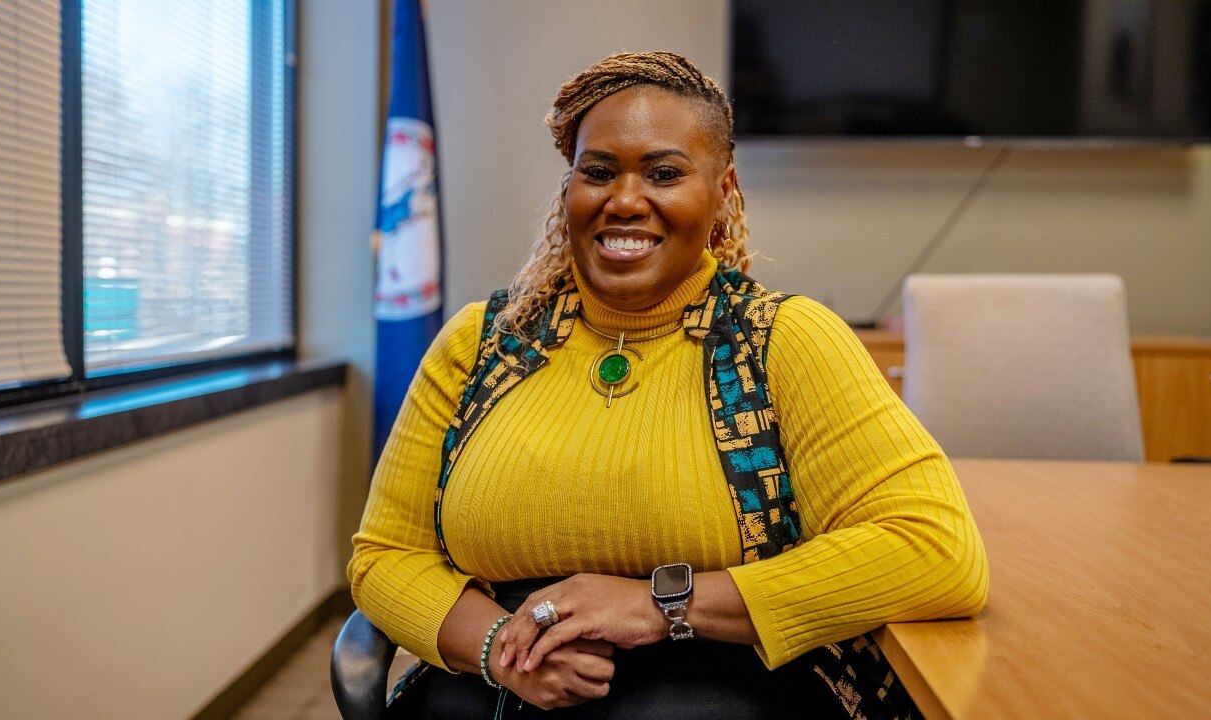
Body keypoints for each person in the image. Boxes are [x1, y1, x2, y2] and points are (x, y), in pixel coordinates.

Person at [348, 51, 988, 719]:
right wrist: (498, 647)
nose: (624, 200)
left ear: (722, 193)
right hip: (494, 692)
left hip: (719, 688)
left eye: (663, 173)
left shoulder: (780, 341)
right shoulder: (482, 342)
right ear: (570, 190)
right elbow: (386, 556)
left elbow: (934, 548)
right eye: (597, 173)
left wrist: (661, 604)